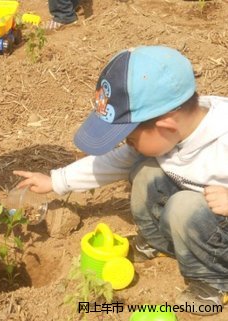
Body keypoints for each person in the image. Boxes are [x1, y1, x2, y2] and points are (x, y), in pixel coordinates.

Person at [14, 46, 228, 315]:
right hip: (199, 218)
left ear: (166, 127)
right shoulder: (170, 131)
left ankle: (211, 284)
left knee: (184, 206)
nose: (128, 145)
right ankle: (161, 244)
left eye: (131, 138)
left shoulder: (223, 140)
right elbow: (113, 162)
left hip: (220, 231)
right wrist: (55, 181)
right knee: (145, 170)